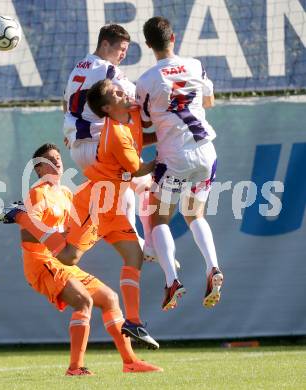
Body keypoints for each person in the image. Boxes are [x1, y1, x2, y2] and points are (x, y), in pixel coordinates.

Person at [14, 143, 162, 375]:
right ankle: (75, 368)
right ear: (40, 169)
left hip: (61, 262)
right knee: (84, 301)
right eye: (50, 160)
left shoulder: (65, 193)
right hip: (41, 262)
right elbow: (26, 232)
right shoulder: (37, 193)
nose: (58, 162)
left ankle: (130, 362)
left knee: (110, 299)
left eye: (58, 157)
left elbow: (70, 231)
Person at [135, 16, 223, 311]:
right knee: (195, 214)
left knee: (159, 218)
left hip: (175, 157)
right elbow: (208, 101)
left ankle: (172, 279)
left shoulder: (146, 80)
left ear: (149, 44)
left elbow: (144, 122)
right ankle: (213, 267)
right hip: (205, 151)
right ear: (173, 37)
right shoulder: (196, 66)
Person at [62, 23, 152, 251]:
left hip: (78, 147)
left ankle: (139, 243)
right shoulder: (107, 70)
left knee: (128, 190)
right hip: (97, 145)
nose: (124, 54)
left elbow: (66, 104)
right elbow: (135, 98)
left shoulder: (77, 69)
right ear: (104, 44)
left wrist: (71, 131)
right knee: (142, 183)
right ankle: (143, 243)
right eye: (121, 48)